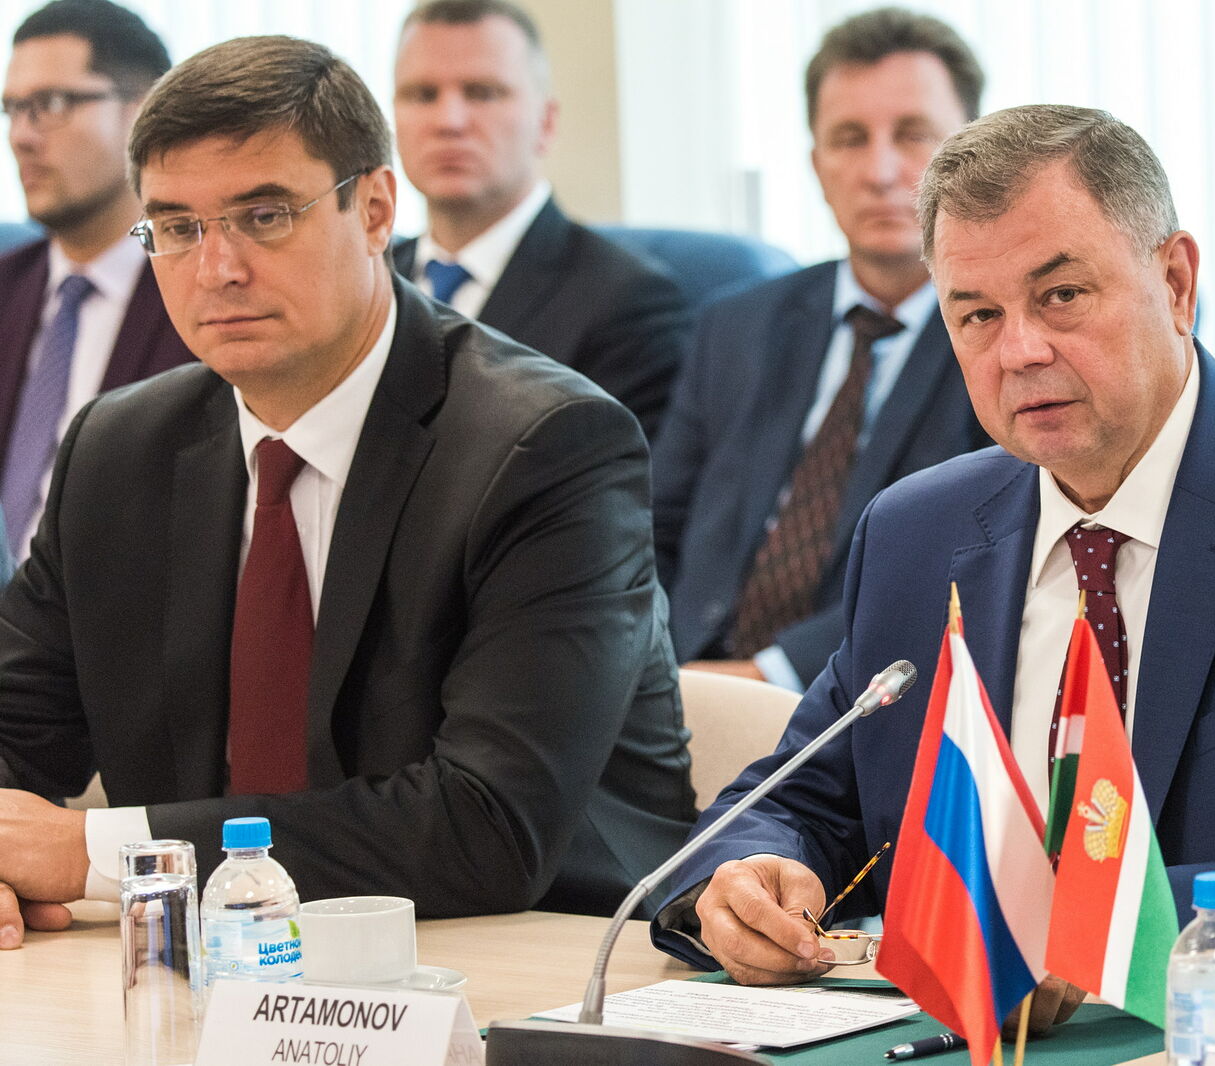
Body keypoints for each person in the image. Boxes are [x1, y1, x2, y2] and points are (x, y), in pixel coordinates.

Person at [652, 105, 1215, 1019]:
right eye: (978, 314)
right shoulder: (917, 532)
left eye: (1061, 296)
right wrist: (747, 874)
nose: (1020, 351)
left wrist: (1109, 932)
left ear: (1176, 282)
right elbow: (800, 799)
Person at [0, 34, 694, 950]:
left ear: (374, 210)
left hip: (538, 959)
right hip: (214, 967)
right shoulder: (118, 450)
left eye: (264, 216)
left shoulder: (547, 446)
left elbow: (486, 826)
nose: (217, 269)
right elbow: (15, 729)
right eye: (177, 227)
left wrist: (97, 852)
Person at [652, 8, 990, 693]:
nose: (881, 171)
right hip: (680, 683)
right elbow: (649, 531)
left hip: (870, 695)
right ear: (816, 164)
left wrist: (765, 675)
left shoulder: (1007, 339)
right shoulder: (735, 325)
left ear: (973, 153)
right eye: (849, 139)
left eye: (913, 135)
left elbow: (980, 564)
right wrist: (648, 667)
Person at [389, 0, 687, 439]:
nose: (448, 121)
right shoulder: (365, 280)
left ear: (546, 122)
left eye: (482, 92)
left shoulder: (627, 303)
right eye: (422, 95)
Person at [0, 0, 190, 563]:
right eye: (12, 109)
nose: (21, 136)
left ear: (144, 111)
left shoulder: (206, 293)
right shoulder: (7, 287)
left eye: (51, 105)